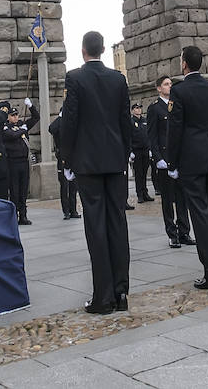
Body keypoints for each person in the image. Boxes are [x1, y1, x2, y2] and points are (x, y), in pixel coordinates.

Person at [59, 31, 133, 315]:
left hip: (88, 163)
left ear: (83, 51)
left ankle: (103, 297)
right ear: (103, 49)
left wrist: (67, 158)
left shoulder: (75, 78)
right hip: (115, 161)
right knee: (118, 223)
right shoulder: (118, 79)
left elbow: (70, 120)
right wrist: (123, 153)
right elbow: (125, 120)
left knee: (96, 227)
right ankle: (122, 291)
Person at [166, 44, 208, 291]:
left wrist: (172, 162)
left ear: (184, 63)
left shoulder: (179, 91)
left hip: (191, 162)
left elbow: (175, 130)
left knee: (201, 215)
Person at [147, 76, 191, 248]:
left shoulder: (177, 104)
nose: (169, 86)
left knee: (182, 198)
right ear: (159, 88)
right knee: (167, 199)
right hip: (164, 161)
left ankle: (184, 232)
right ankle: (172, 233)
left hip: (179, 159)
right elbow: (152, 136)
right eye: (166, 84)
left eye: (171, 84)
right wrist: (158, 158)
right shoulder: (155, 108)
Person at [3, 99, 39, 225]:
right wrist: (23, 130)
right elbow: (12, 136)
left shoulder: (21, 125)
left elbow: (36, 117)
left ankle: (23, 215)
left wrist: (30, 106)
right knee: (14, 191)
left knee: (23, 190)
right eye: (13, 115)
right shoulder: (5, 127)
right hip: (12, 163)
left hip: (24, 162)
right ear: (8, 117)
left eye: (16, 115)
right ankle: (14, 215)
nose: (15, 117)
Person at [47, 111, 79, 220]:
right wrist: (61, 117)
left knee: (73, 187)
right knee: (64, 187)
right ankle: (66, 211)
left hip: (73, 158)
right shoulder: (59, 124)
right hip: (62, 159)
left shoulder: (70, 123)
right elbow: (51, 128)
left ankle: (73, 210)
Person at [129, 102, 153, 204]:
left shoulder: (145, 120)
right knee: (138, 174)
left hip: (145, 150)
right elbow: (129, 137)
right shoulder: (131, 121)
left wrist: (150, 148)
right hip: (136, 151)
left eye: (140, 108)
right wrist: (130, 151)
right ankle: (140, 194)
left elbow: (149, 135)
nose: (139, 110)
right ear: (133, 110)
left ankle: (145, 193)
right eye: (137, 108)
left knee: (144, 173)